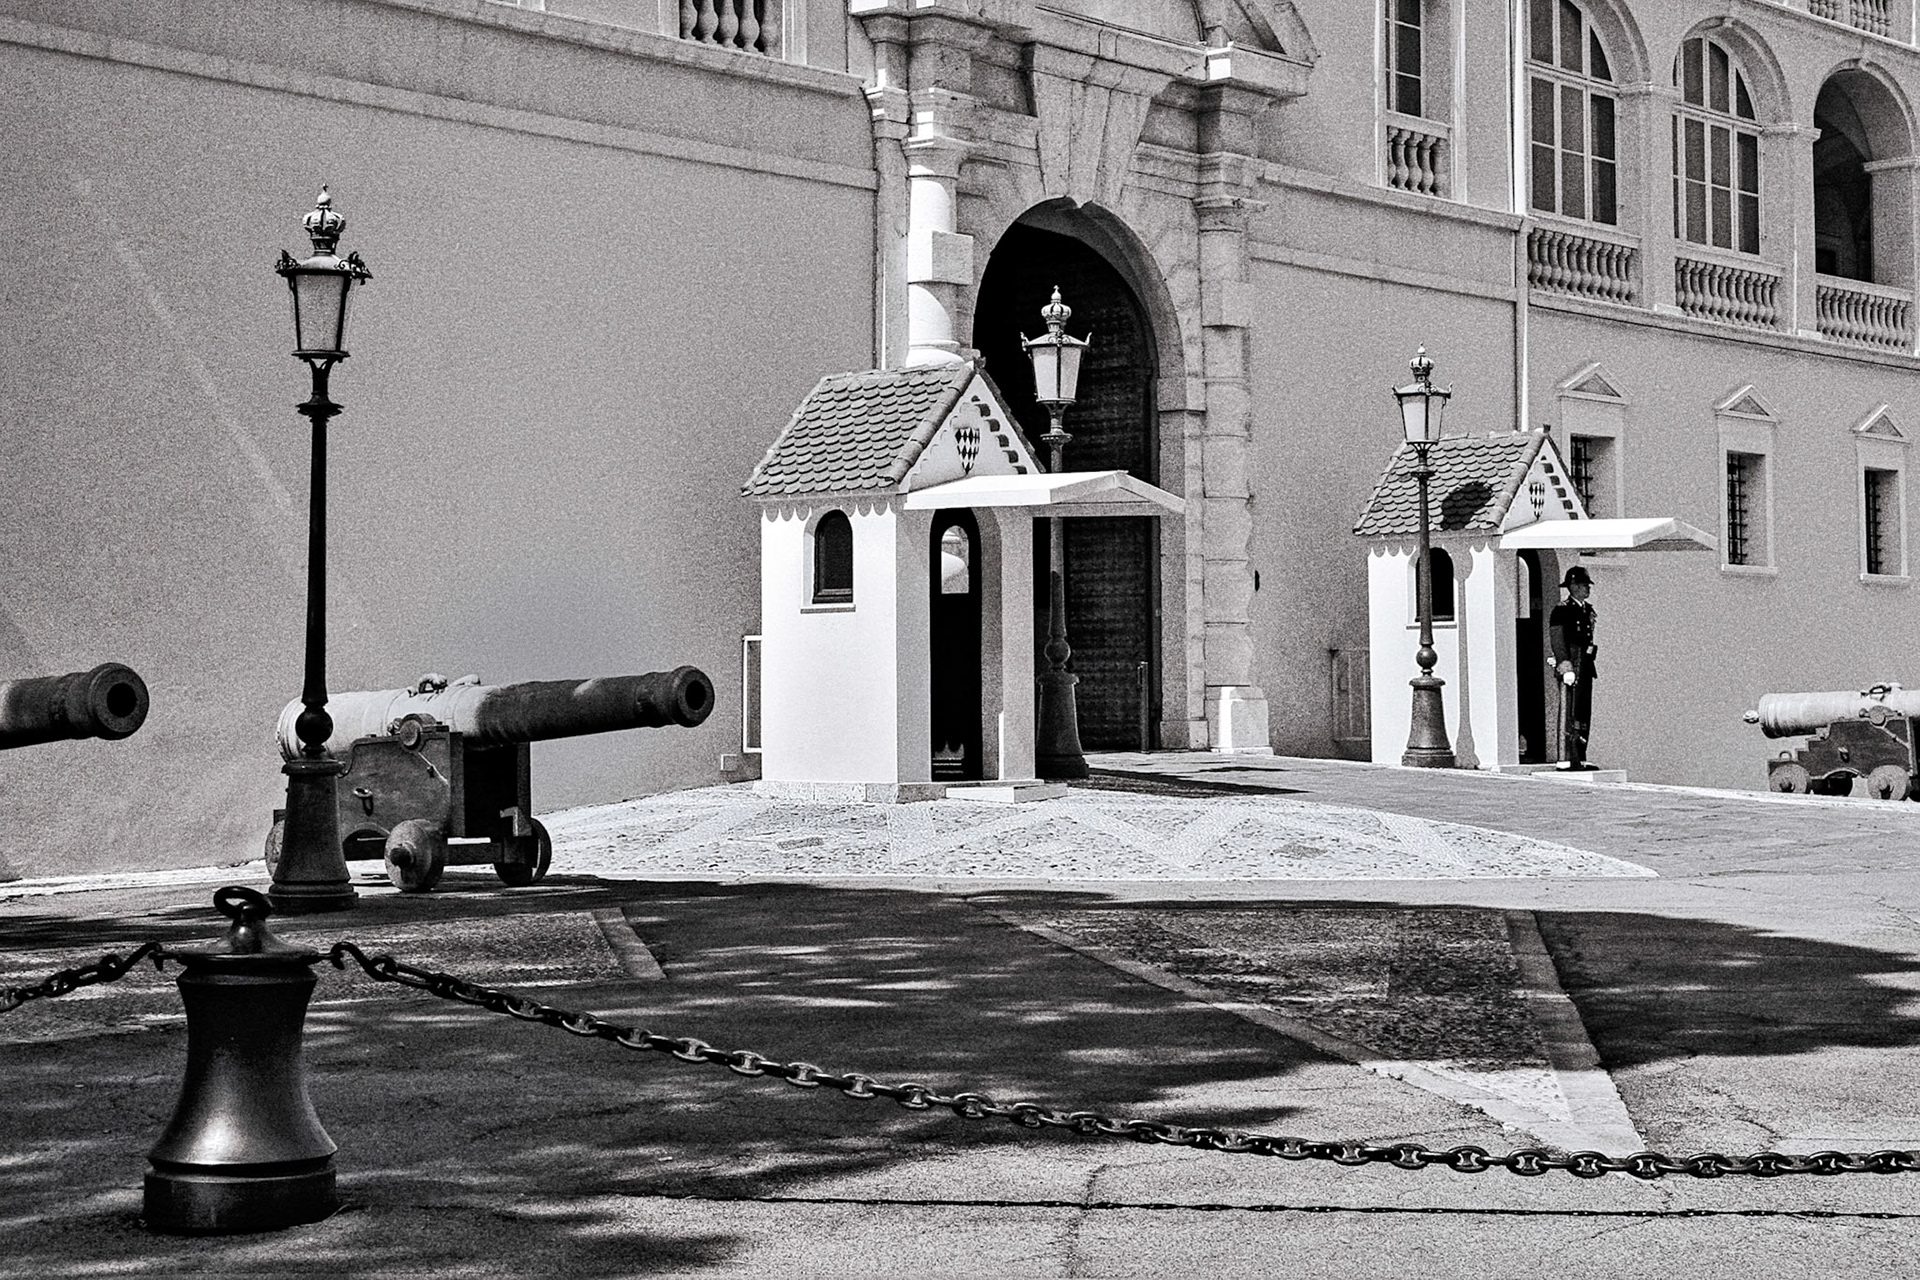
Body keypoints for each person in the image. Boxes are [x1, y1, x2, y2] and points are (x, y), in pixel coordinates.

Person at [1549, 564, 1598, 769]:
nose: (1588, 589)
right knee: (1568, 711)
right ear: (1574, 586)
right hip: (1571, 665)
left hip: (1585, 665)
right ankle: (1565, 757)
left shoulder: (1587, 610)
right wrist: (1565, 665)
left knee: (1583, 712)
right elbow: (1558, 640)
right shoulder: (1562, 610)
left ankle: (1580, 756)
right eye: (1584, 585)